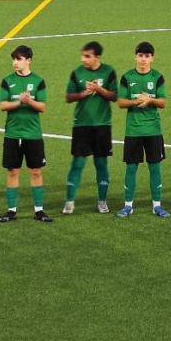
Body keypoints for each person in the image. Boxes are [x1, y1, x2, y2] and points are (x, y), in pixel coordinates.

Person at [63, 41, 117, 215]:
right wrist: (83, 94)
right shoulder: (77, 73)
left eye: (87, 56)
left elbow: (114, 96)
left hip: (102, 125)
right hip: (81, 125)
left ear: (97, 57)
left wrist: (98, 89)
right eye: (83, 55)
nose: (83, 59)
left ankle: (102, 201)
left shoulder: (108, 72)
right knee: (77, 164)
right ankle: (69, 202)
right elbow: (68, 97)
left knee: (101, 164)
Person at [0, 45, 50, 223]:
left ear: (28, 60)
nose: (15, 62)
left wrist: (29, 101)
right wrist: (20, 102)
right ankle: (11, 210)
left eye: (18, 59)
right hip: (12, 134)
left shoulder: (38, 81)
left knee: (36, 171)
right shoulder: (7, 81)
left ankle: (39, 210)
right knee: (13, 171)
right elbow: (3, 105)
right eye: (13, 59)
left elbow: (42, 107)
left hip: (33, 135)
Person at [117, 42, 169, 218]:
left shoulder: (157, 77)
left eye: (147, 56)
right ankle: (127, 206)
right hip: (133, 131)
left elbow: (162, 102)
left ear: (152, 58)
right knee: (131, 168)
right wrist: (136, 101)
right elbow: (120, 102)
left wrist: (150, 100)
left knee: (155, 167)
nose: (143, 59)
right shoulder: (127, 77)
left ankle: (157, 205)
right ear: (135, 57)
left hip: (153, 130)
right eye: (140, 55)